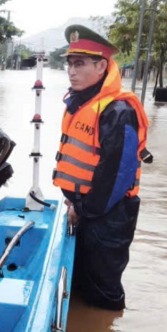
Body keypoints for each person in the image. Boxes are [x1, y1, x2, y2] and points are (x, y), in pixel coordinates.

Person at [53, 25, 150, 310]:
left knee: (103, 297)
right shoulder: (82, 103)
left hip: (109, 217)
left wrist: (81, 210)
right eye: (69, 63)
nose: (72, 71)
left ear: (101, 66)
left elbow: (115, 180)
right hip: (87, 209)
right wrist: (76, 204)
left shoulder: (118, 112)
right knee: (81, 284)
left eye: (80, 64)